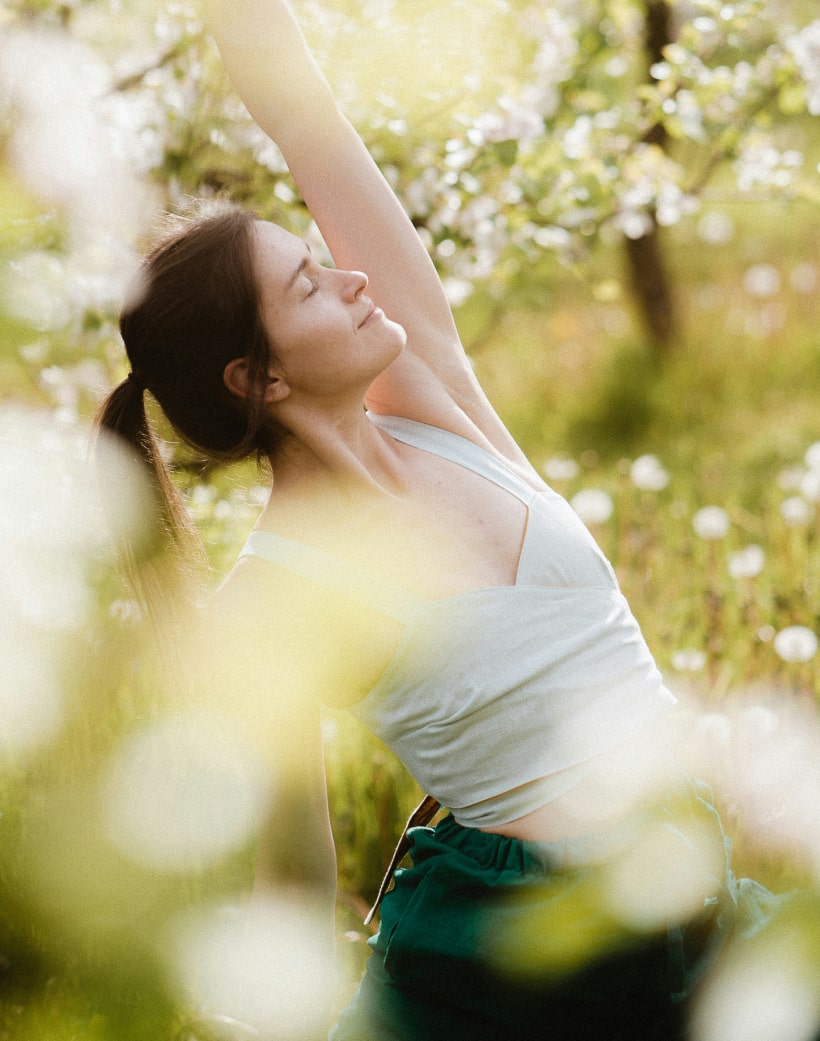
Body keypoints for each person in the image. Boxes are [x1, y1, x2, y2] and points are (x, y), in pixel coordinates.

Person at [94, 3, 787, 1039]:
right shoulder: (275, 599)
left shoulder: (432, 405)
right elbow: (294, 869)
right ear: (260, 375)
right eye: (309, 288)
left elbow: (310, 123)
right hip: (507, 963)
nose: (352, 278)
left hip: (683, 885)